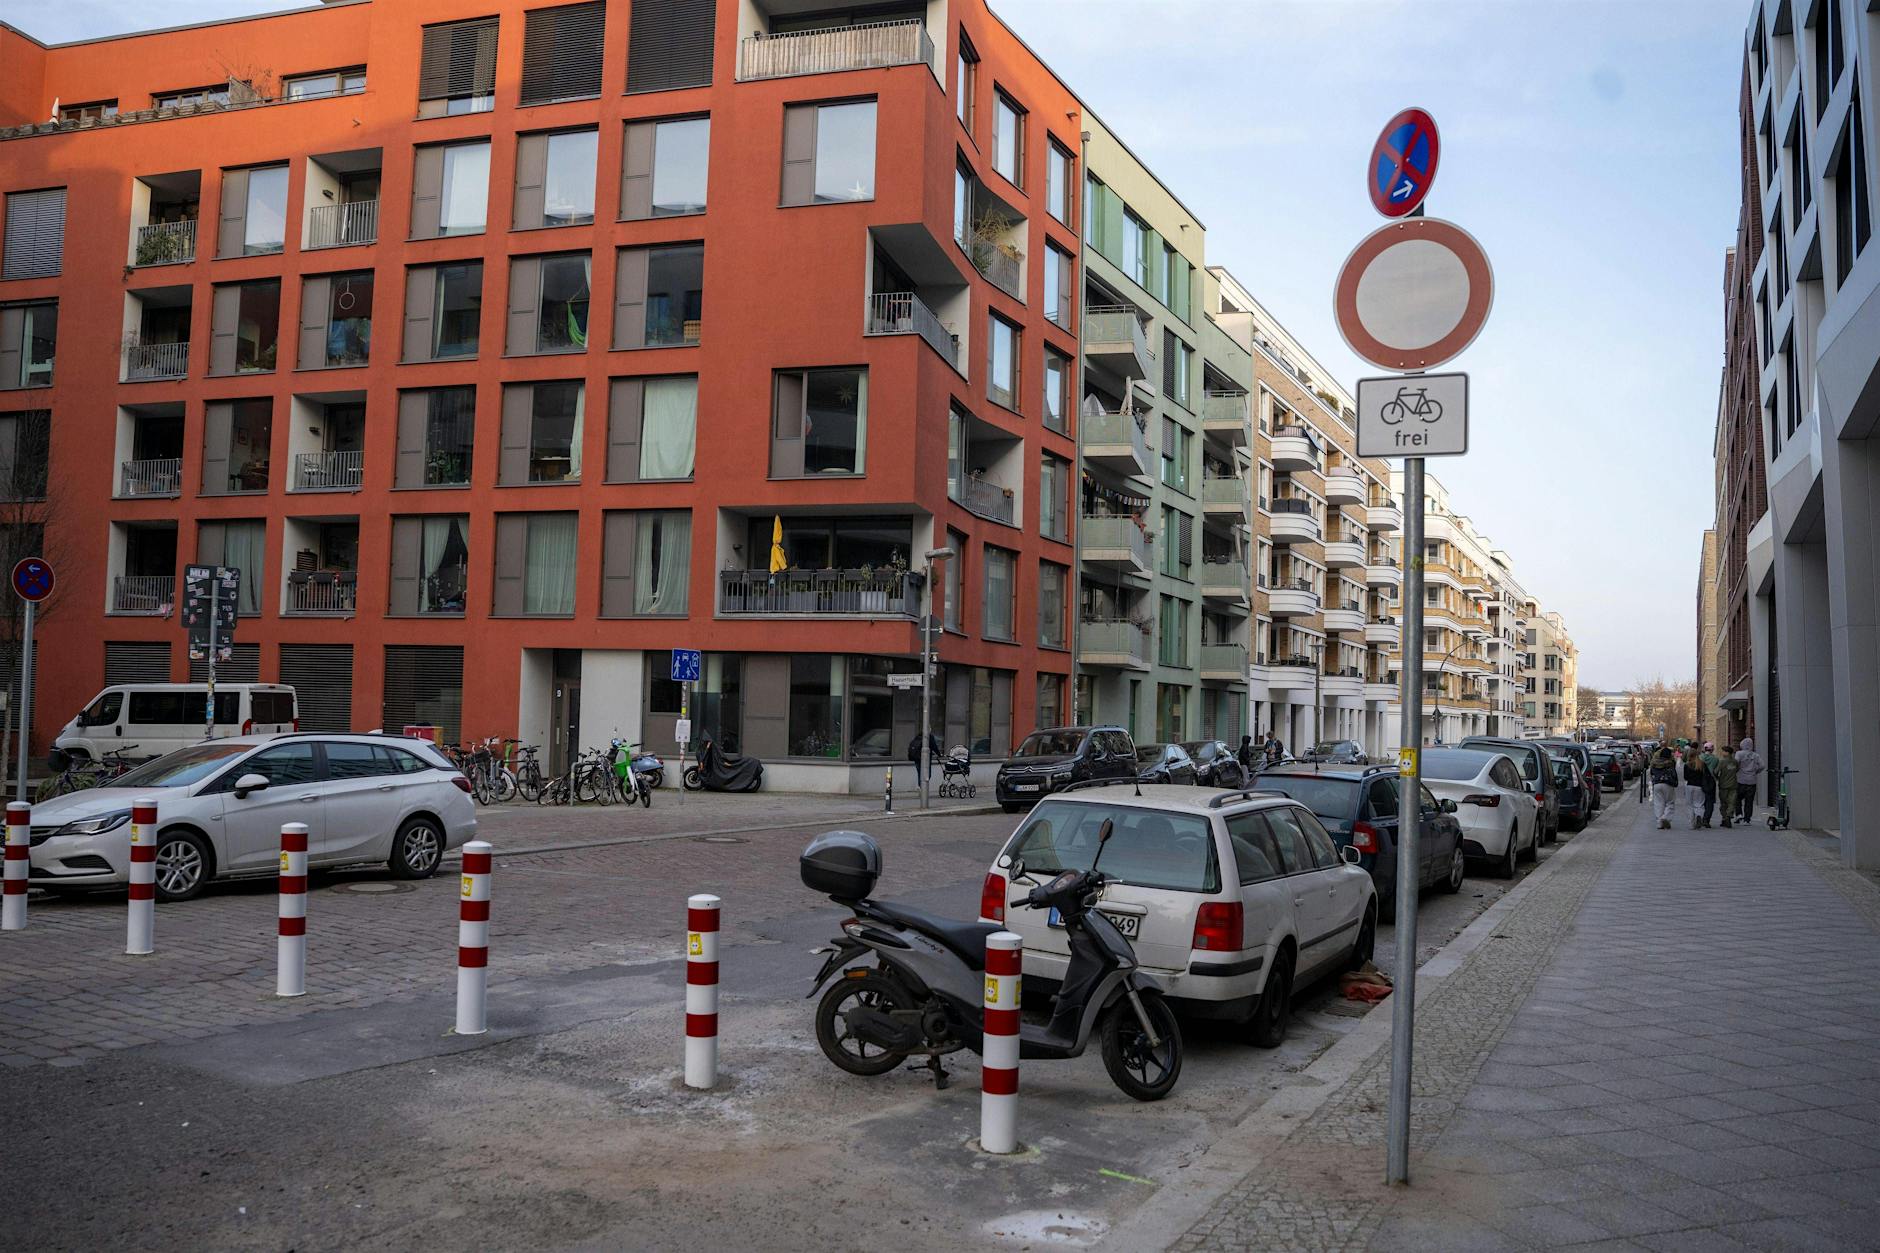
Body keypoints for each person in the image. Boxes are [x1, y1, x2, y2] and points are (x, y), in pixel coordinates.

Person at [1648, 744, 1680, 829]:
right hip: (1668, 783)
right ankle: (1666, 817)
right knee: (1670, 802)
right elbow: (1674, 774)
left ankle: (1659, 822)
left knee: (1658, 804)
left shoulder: (1654, 763)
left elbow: (1651, 773)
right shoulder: (1670, 763)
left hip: (1657, 784)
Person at [1682, 747, 1715, 828]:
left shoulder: (1687, 765)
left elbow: (1685, 777)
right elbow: (1707, 775)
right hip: (1699, 786)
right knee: (1699, 804)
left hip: (1689, 786)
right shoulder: (1702, 764)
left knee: (1690, 805)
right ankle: (1698, 815)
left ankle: (1692, 824)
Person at [1735, 737, 1764, 823]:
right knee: (1749, 801)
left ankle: (1739, 814)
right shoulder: (1756, 755)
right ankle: (1747, 819)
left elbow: (1736, 763)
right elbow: (1762, 766)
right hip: (1752, 781)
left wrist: (1737, 770)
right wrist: (1756, 771)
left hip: (1740, 780)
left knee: (1737, 798)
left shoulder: (1739, 753)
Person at [1714, 743, 1739, 828]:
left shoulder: (1722, 761)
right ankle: (1728, 816)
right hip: (1733, 784)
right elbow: (1737, 769)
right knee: (1732, 802)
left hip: (1723, 785)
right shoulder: (1735, 761)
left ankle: (1725, 818)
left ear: (1727, 753)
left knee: (1723, 803)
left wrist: (1717, 778)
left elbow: (1716, 771)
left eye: (1723, 751)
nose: (1722, 753)